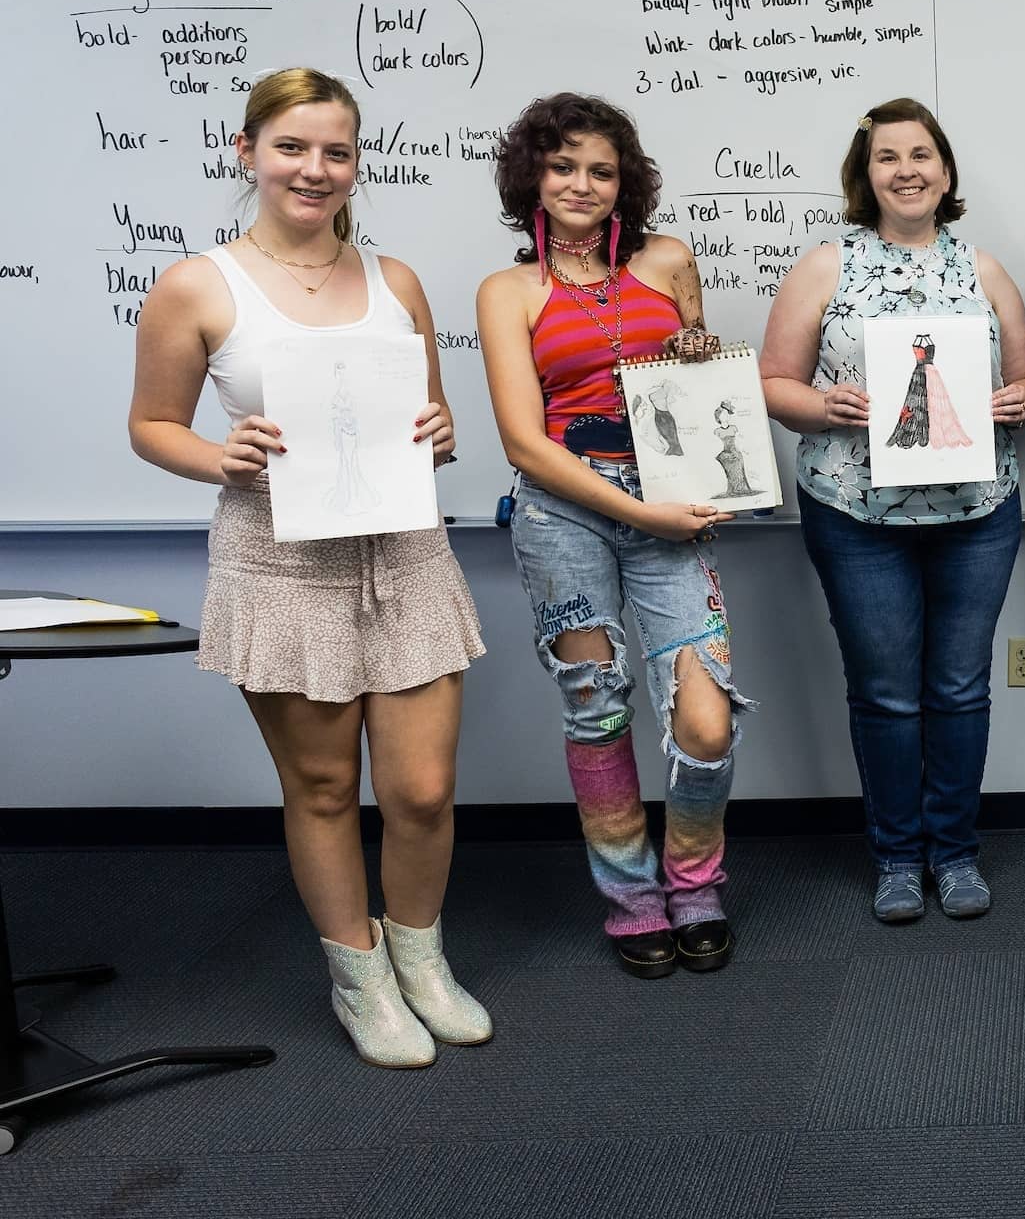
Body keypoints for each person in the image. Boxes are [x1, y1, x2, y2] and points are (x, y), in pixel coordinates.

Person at [128, 67, 488, 1067]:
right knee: (325, 787)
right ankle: (359, 978)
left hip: (403, 551)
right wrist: (219, 452)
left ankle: (423, 959)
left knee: (420, 788)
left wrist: (440, 427)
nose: (314, 168)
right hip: (277, 559)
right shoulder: (199, 284)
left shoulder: (395, 280)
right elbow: (151, 425)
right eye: (292, 146)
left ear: (356, 164)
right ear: (247, 150)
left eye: (336, 150)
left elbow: (434, 418)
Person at [476, 92, 751, 980]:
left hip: (669, 495)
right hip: (563, 509)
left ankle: (695, 882)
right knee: (596, 709)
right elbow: (524, 440)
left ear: (624, 180)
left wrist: (703, 377)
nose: (582, 185)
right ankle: (634, 901)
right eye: (562, 168)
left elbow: (701, 376)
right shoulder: (509, 292)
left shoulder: (669, 261)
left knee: (705, 722)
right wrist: (637, 512)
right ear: (533, 181)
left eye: (600, 169)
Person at [761, 98, 1025, 922]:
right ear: (868, 173)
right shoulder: (825, 265)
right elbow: (775, 384)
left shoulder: (985, 270)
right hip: (855, 516)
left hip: (978, 512)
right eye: (889, 157)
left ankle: (954, 853)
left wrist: (1014, 404)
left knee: (959, 688)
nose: (907, 170)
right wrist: (826, 409)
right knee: (885, 693)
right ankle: (895, 856)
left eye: (922, 154)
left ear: (946, 171)